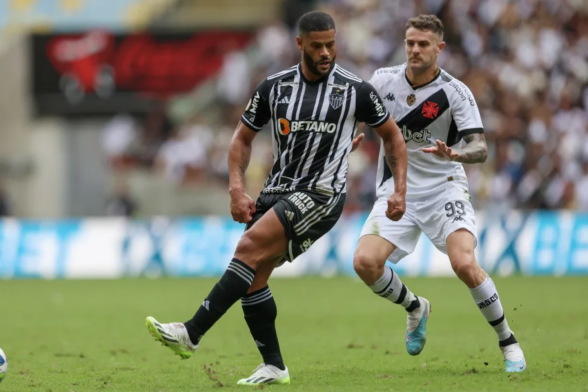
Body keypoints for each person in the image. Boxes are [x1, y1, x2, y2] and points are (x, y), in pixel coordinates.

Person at [145, 11, 409, 386]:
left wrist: (399, 190)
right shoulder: (275, 87)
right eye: (317, 46)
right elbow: (241, 139)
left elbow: (392, 137)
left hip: (321, 194)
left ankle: (192, 332)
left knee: (248, 247)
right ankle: (274, 366)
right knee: (252, 276)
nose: (325, 53)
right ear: (300, 44)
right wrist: (237, 188)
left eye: (331, 45)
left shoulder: (356, 90)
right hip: (276, 190)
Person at [353, 14, 526, 373]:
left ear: (439, 48)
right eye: (410, 43)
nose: (415, 50)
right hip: (395, 189)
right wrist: (349, 138)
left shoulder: (455, 93)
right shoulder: (383, 81)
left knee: (464, 263)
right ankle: (416, 306)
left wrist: (457, 153)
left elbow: (481, 148)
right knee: (364, 263)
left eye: (423, 44)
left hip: (443, 187)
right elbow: (353, 117)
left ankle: (508, 341)